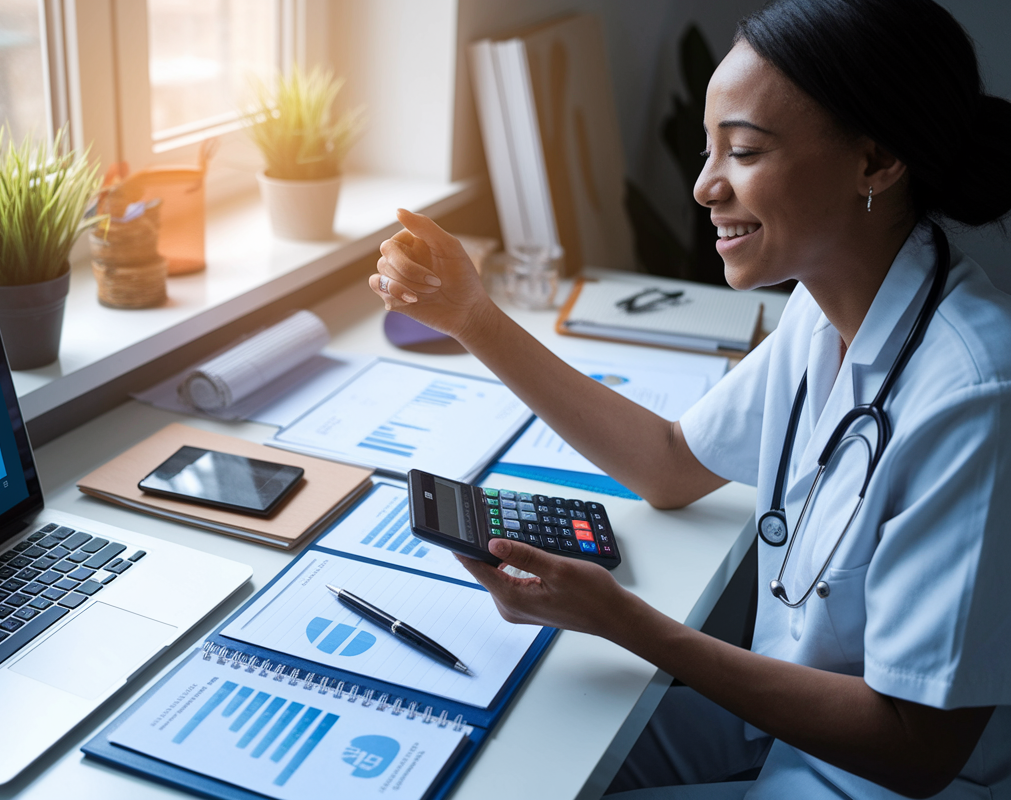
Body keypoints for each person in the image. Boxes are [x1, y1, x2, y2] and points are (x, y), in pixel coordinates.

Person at [370, 0, 1011, 797]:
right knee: (485, 755)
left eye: (742, 151)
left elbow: (918, 748)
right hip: (782, 731)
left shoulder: (975, 395)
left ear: (875, 162)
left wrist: (624, 621)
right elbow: (671, 463)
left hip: (873, 779)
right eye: (711, 150)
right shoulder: (824, 306)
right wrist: (471, 316)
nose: (706, 186)